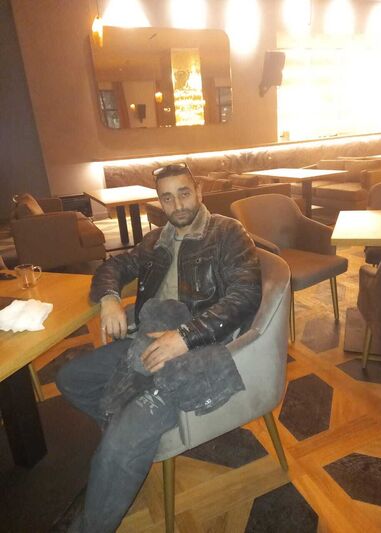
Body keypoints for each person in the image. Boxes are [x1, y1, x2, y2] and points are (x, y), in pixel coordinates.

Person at [57, 163, 261, 532]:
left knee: (118, 446)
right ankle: (126, 430)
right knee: (71, 378)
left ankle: (103, 495)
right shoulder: (156, 240)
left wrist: (184, 336)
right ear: (160, 202)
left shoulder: (227, 233)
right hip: (147, 341)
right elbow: (114, 266)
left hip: (194, 354)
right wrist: (109, 298)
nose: (177, 204)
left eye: (184, 193)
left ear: (198, 191)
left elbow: (245, 295)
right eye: (167, 197)